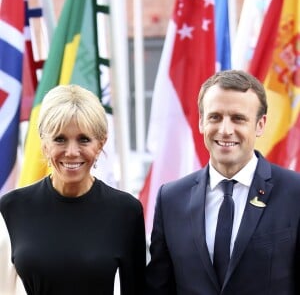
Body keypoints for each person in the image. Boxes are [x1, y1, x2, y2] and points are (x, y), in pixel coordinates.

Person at [145, 69, 300, 295]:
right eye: (215, 117)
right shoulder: (171, 199)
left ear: (260, 124)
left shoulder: (294, 193)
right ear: (201, 122)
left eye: (238, 118)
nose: (225, 130)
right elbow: (159, 287)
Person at [0, 84, 146, 295]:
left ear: (101, 143)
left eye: (84, 139)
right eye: (60, 139)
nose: (71, 152)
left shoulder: (126, 211)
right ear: (44, 143)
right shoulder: (10, 208)